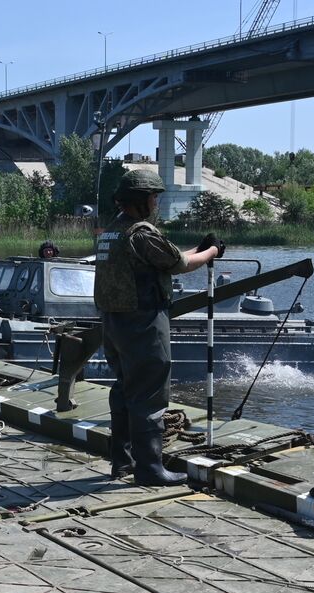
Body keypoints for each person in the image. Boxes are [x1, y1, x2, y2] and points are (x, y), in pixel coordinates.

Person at [93, 169, 222, 485]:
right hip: (144, 321)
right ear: (140, 201)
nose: (156, 203)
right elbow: (181, 264)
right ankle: (151, 469)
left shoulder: (113, 231)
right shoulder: (142, 233)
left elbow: (169, 257)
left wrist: (198, 247)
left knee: (124, 389)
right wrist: (213, 251)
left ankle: (122, 463)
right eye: (153, 197)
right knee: (150, 392)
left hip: (114, 321)